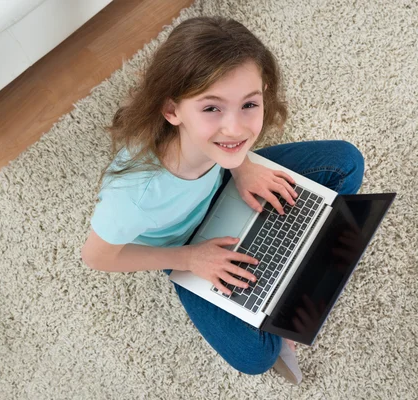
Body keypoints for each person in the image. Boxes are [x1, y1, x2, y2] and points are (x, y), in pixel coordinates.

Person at [81, 16, 364, 385]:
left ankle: (291, 255)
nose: (236, 128)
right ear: (172, 111)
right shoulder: (134, 196)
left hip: (227, 183)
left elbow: (232, 141)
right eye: (212, 108)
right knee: (255, 356)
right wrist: (189, 258)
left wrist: (242, 166)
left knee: (347, 163)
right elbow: (96, 257)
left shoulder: (224, 145)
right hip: (183, 245)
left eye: (249, 104)